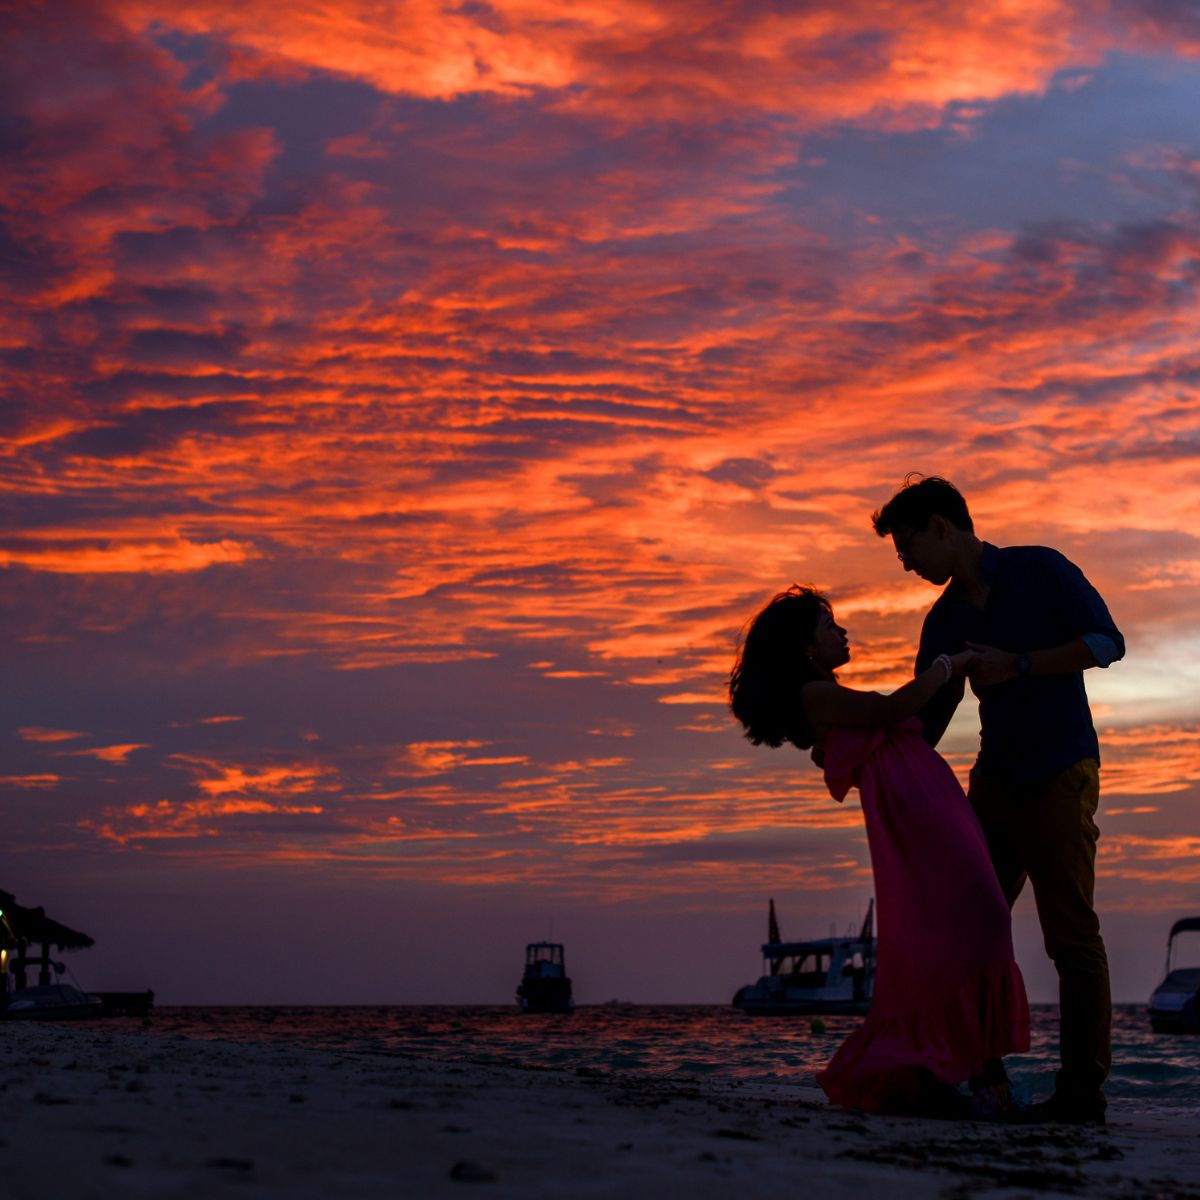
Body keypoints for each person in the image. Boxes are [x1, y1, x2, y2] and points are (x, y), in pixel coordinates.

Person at [871, 475, 1124, 1125]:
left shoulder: (1039, 570)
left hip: (1062, 770)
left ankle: (1081, 1094)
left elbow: (1106, 643)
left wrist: (1019, 663)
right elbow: (929, 717)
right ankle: (979, 1078)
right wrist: (868, 753)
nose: (905, 561)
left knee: (1070, 936)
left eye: (907, 545)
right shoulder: (946, 619)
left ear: (941, 528)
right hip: (992, 783)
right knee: (962, 927)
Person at [729, 586, 1030, 1118]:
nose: (840, 632)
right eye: (828, 626)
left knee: (972, 925)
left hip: (928, 803)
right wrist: (947, 664)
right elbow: (894, 707)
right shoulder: (814, 695)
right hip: (919, 816)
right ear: (804, 646)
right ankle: (972, 1076)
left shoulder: (825, 694)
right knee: (979, 921)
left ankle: (951, 1073)